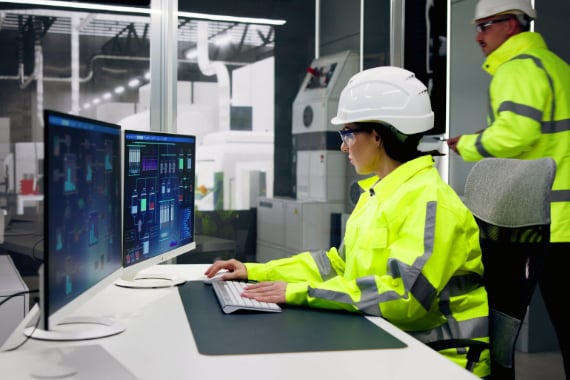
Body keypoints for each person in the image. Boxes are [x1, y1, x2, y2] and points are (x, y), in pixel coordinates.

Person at [206, 66, 490, 377]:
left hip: (441, 357)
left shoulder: (431, 203)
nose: (343, 146)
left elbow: (404, 297)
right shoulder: (382, 193)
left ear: (378, 135)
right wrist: (256, 271)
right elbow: (337, 266)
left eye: (348, 134)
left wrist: (300, 293)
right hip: (389, 336)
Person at [446, 0, 570, 376]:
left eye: (486, 25)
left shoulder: (517, 69)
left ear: (513, 25)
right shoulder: (556, 66)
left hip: (539, 222)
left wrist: (468, 144)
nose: (478, 36)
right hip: (561, 220)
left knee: (503, 323)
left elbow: (516, 133)